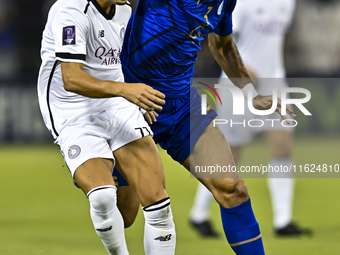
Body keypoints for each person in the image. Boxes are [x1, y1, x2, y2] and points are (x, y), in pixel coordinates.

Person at [113, 0, 296, 254]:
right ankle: (89, 158)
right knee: (125, 214)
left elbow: (222, 45)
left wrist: (251, 94)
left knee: (233, 190)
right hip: (133, 103)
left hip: (182, 106)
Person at [37, 0, 176, 254]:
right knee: (102, 197)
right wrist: (126, 90)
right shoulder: (70, 11)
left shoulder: (123, 10)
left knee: (157, 203)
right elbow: (71, 78)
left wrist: (138, 97)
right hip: (73, 111)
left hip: (116, 104)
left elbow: (116, 64)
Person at [189, 0, 312, 238]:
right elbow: (223, 42)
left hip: (274, 82)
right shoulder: (242, 3)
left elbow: (278, 42)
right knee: (229, 155)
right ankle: (199, 213)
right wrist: (245, 72)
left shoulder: (288, 3)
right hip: (241, 84)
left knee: (282, 147)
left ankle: (282, 221)